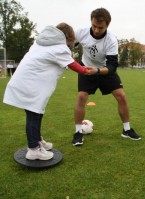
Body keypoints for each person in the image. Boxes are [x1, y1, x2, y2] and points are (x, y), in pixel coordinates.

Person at [3, 23, 97, 160]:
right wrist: (89, 70)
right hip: (31, 86)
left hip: (26, 83)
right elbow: (75, 66)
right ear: (68, 37)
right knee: (34, 115)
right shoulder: (60, 48)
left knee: (36, 114)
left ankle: (37, 142)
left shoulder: (41, 43)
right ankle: (33, 150)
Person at [72, 8, 141, 146]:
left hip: (104, 70)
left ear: (107, 25)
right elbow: (68, 45)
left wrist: (97, 71)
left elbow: (112, 66)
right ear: (91, 22)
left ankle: (126, 130)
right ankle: (78, 133)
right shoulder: (80, 32)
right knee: (81, 97)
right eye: (94, 26)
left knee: (121, 96)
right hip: (86, 68)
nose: (96, 30)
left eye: (100, 27)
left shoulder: (111, 40)